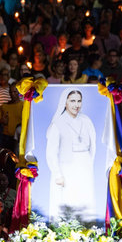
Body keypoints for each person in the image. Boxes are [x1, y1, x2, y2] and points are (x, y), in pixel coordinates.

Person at [45, 88, 97, 222]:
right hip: (66, 168)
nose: (76, 104)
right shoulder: (59, 123)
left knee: (83, 202)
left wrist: (88, 164)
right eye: (72, 101)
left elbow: (93, 146)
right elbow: (51, 151)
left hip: (84, 166)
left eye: (79, 101)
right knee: (67, 202)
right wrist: (57, 174)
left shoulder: (86, 120)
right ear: (65, 102)